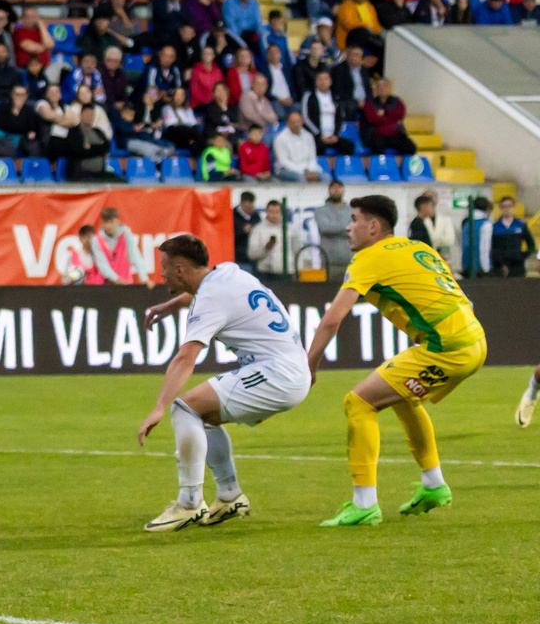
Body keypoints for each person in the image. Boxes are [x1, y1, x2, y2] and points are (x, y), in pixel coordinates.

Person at [306, 193, 485, 527]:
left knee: (358, 402)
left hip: (444, 345)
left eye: (355, 219)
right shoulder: (418, 247)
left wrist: (310, 366)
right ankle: (433, 484)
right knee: (402, 396)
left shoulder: (368, 259)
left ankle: (364, 504)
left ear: (374, 227)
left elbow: (332, 319)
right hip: (473, 338)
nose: (348, 228)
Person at [133, 233, 309, 532]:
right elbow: (198, 292)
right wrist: (171, 306)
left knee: (184, 409)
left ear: (179, 269)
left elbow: (185, 358)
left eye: (164, 266)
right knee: (205, 416)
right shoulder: (226, 272)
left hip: (277, 373)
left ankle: (189, 504)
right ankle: (230, 496)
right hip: (290, 368)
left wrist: (159, 407)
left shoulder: (211, 298)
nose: (160, 273)